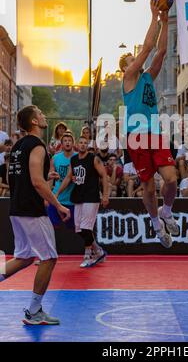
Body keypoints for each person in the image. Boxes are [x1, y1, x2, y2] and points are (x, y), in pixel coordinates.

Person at [1, 105, 70, 325]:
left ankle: (34, 310)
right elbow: (36, 182)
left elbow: (22, 178)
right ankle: (33, 311)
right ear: (33, 122)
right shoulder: (38, 145)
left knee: (24, 257)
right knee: (49, 257)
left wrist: (44, 176)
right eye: (40, 113)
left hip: (17, 210)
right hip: (32, 211)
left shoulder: (19, 146)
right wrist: (58, 205)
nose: (43, 115)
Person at [119, 0, 179, 248]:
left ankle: (166, 212)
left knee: (172, 179)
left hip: (154, 134)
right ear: (125, 68)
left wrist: (165, 22)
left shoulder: (146, 78)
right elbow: (146, 48)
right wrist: (153, 16)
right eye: (130, 60)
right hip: (137, 137)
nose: (136, 61)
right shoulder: (130, 77)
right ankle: (156, 224)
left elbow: (161, 51)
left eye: (134, 59)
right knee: (149, 187)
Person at [56, 136, 109, 268]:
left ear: (88, 146)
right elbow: (68, 178)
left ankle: (88, 255)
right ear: (77, 145)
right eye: (81, 142)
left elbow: (104, 176)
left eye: (86, 143)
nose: (83, 145)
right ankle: (98, 251)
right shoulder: (73, 160)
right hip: (78, 197)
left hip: (91, 197)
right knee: (79, 229)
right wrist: (56, 193)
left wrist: (106, 195)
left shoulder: (93, 158)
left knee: (86, 228)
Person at [48, 131, 77, 230]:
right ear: (62, 143)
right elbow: (50, 179)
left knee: (73, 229)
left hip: (72, 199)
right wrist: (48, 195)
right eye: (65, 141)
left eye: (70, 140)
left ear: (73, 143)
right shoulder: (55, 158)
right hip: (56, 198)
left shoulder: (78, 157)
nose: (67, 142)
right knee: (52, 227)